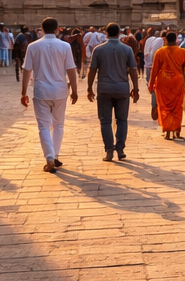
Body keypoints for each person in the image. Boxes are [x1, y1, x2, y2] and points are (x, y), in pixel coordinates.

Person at [21, 17, 79, 172]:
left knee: (44, 126)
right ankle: (55, 155)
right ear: (57, 29)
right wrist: (74, 90)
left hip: (42, 91)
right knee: (59, 124)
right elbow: (71, 70)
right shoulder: (65, 46)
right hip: (60, 90)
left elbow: (27, 71)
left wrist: (23, 92)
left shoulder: (33, 47)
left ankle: (49, 158)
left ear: (41, 29)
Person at [86, 22, 140, 162]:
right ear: (119, 33)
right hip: (122, 88)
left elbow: (92, 70)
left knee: (105, 121)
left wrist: (89, 87)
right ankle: (120, 148)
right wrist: (136, 88)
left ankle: (109, 150)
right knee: (122, 120)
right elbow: (133, 70)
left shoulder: (98, 49)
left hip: (104, 89)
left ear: (106, 33)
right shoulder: (127, 49)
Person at [149, 29, 185, 140]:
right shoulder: (183, 52)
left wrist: (151, 83)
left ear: (166, 40)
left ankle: (167, 130)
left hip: (163, 81)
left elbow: (154, 70)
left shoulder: (160, 52)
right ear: (176, 40)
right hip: (178, 82)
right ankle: (176, 129)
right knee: (177, 107)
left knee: (164, 107)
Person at [142, 28, 166, 118]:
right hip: (155, 67)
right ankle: (156, 107)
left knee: (153, 88)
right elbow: (153, 55)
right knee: (156, 87)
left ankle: (155, 106)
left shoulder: (148, 40)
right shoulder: (160, 41)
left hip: (148, 66)